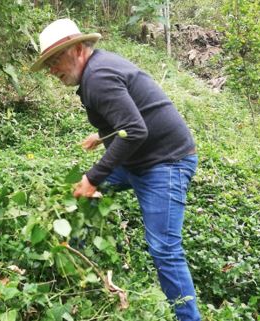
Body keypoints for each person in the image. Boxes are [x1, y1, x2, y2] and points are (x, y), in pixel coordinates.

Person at [31, 18, 201, 321]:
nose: (53, 70)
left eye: (56, 60)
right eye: (49, 65)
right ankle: (80, 270)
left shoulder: (98, 77)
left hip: (165, 162)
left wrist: (93, 177)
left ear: (79, 49)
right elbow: (135, 109)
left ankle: (189, 318)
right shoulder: (98, 69)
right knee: (77, 197)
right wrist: (102, 135)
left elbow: (135, 130)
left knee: (164, 249)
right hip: (138, 159)